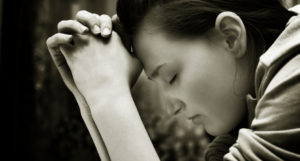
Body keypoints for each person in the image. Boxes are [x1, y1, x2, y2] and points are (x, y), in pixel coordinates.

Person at [46, 0, 300, 160]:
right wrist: (92, 95)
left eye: (171, 76)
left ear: (230, 36)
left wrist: (107, 93)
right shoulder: (234, 135)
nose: (171, 108)